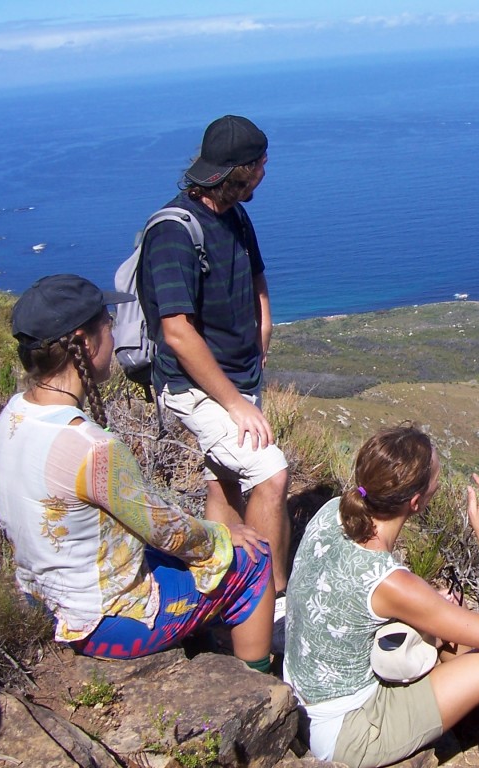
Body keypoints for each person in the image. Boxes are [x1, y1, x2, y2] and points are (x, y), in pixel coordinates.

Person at [0, 274, 275, 670]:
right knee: (254, 561)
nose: (113, 330)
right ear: (85, 343)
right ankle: (261, 687)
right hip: (106, 623)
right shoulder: (91, 448)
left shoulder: (12, 415)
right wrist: (226, 537)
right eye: (107, 321)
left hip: (42, 598)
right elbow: (168, 530)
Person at [284, 425, 479, 768]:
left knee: (449, 622)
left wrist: (429, 601)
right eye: (435, 481)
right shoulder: (388, 582)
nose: (438, 484)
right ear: (415, 503)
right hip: (349, 731)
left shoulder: (333, 510)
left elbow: (357, 594)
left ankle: (470, 713)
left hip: (304, 693)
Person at [138, 114, 290, 595]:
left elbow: (256, 277)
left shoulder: (234, 214)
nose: (266, 171)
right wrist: (235, 402)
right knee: (270, 474)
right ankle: (270, 599)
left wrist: (262, 330)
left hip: (237, 377)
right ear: (239, 171)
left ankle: (218, 585)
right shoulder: (174, 232)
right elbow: (177, 332)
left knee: (224, 479)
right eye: (261, 164)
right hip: (196, 387)